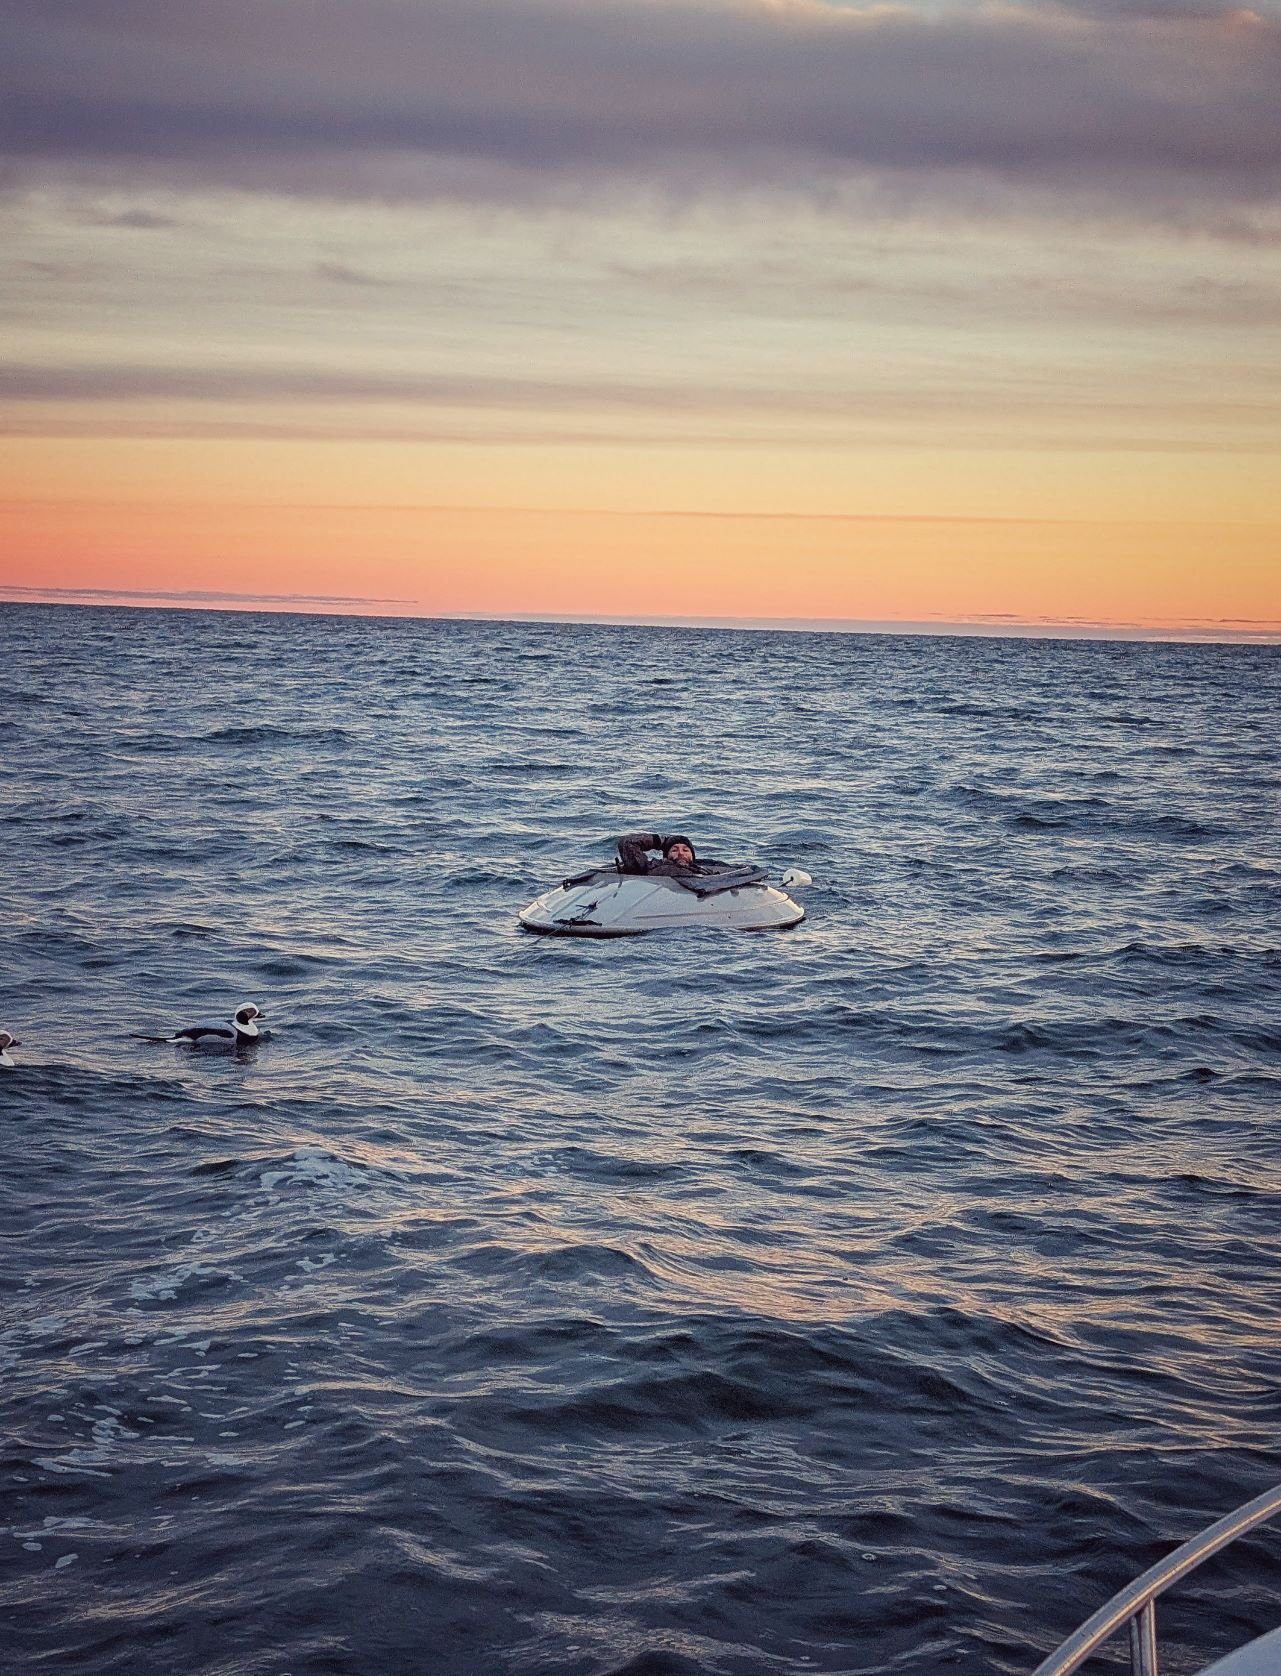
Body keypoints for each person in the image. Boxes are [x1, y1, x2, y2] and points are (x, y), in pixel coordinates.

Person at [616, 832, 701, 876]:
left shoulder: (700, 870)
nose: (681, 853)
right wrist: (661, 842)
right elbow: (627, 843)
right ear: (666, 857)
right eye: (674, 850)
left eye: (686, 850)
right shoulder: (649, 868)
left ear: (693, 857)